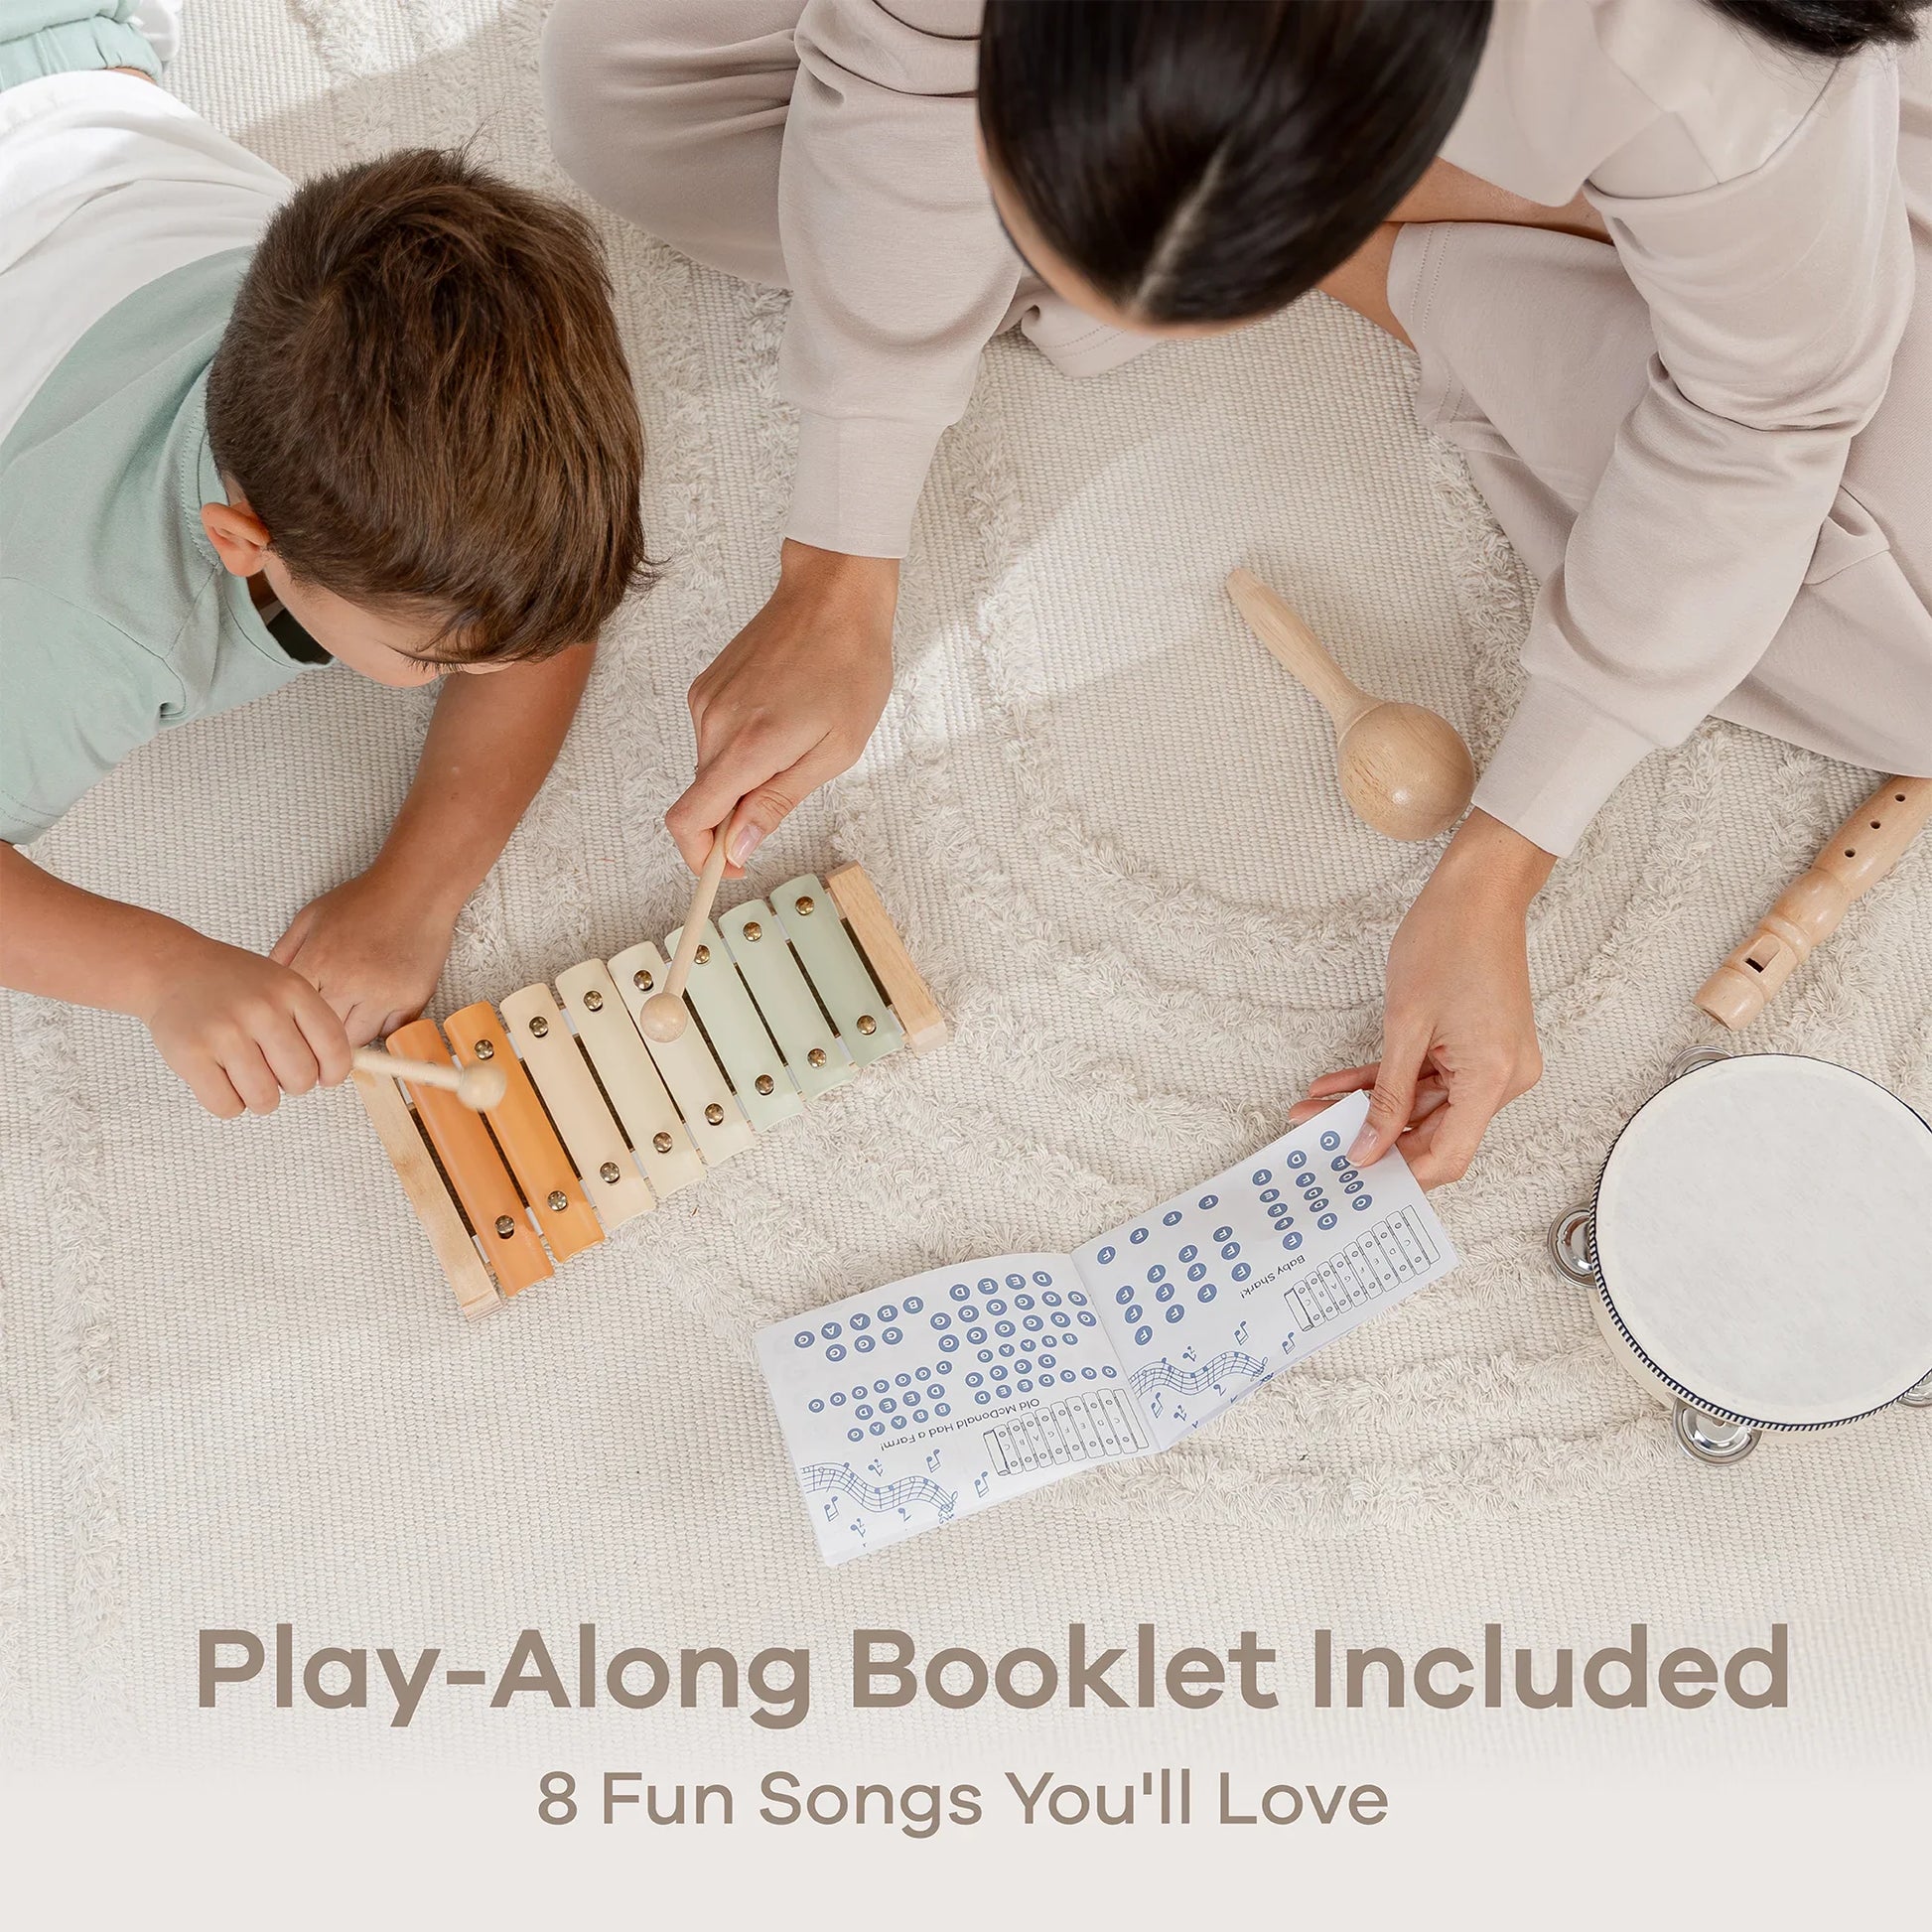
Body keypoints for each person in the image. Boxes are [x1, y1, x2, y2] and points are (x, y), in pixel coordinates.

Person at [546, 0, 1932, 1184]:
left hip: (1762, 136)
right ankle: (1504, 220)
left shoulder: (1711, 69)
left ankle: (1454, 225)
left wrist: (1499, 863)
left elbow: (1764, 420)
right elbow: (897, 59)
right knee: (633, 113)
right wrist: (837, 565)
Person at [0, 0, 648, 1119]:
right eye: (436, 660)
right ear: (244, 545)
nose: (498, 671)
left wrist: (415, 892)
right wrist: (162, 971)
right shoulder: (84, 628)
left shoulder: (389, 304)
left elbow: (542, 623)